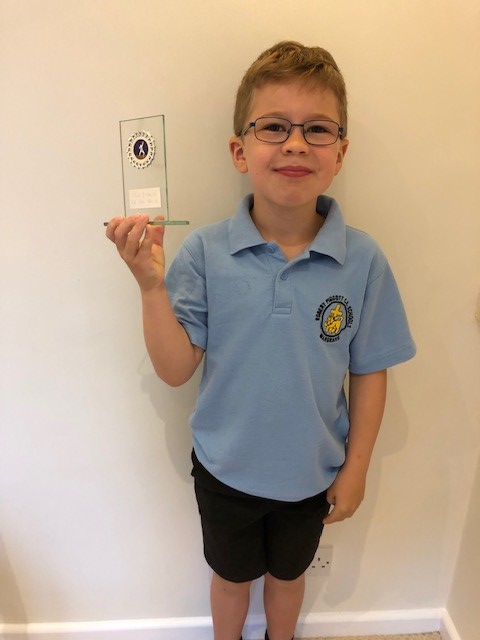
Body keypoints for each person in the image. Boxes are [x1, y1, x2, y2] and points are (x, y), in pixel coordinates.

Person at [106, 41, 416, 640]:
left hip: (312, 474)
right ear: (239, 150)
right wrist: (150, 287)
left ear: (341, 151)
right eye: (274, 126)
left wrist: (356, 469)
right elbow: (175, 370)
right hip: (223, 471)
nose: (295, 143)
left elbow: (370, 370)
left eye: (317, 129)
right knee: (229, 580)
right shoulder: (204, 252)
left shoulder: (364, 260)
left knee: (288, 578)